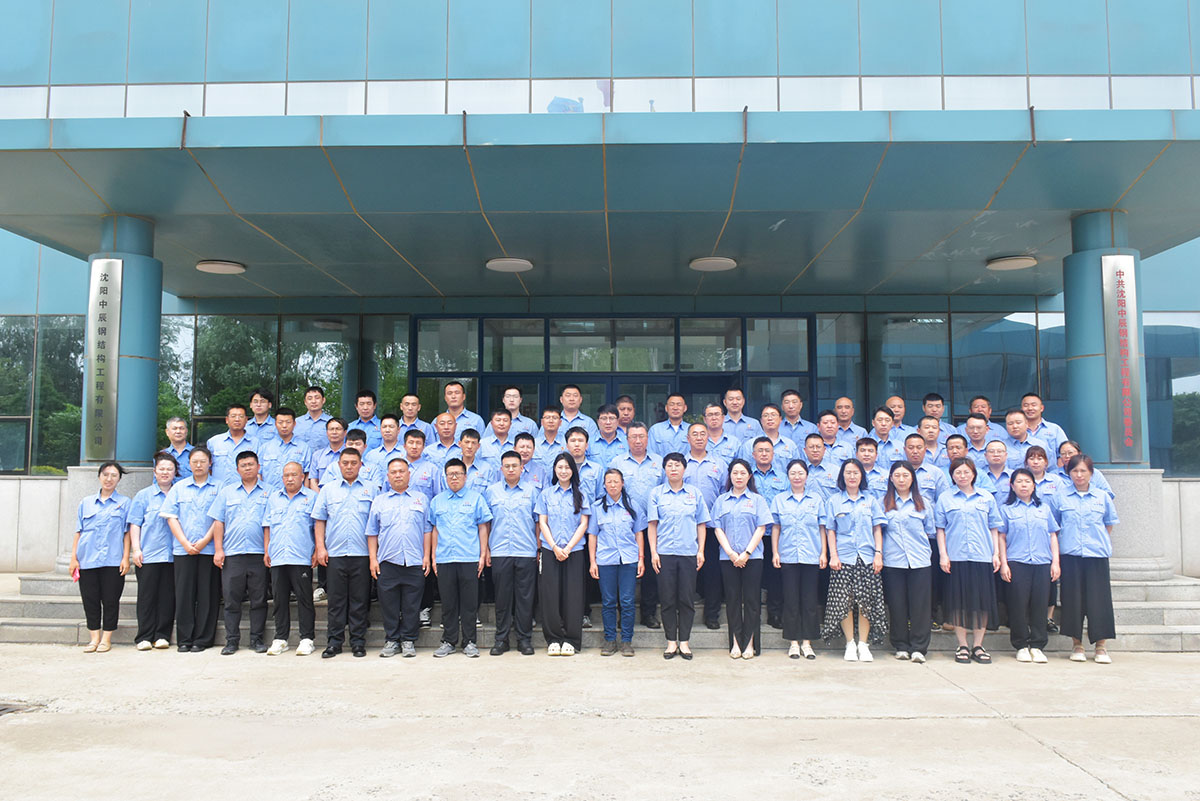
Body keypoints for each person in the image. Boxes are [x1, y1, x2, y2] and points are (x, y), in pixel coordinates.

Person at [1049, 455, 1120, 664]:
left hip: (1096, 555)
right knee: (1072, 601)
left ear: (1091, 473)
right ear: (1068, 473)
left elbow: (1108, 524)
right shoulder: (1060, 497)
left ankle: (1101, 646)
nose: (1079, 475)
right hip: (1070, 555)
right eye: (1075, 471)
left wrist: (1097, 541)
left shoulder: (1102, 496)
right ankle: (1077, 645)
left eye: (1083, 471)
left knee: (1100, 601)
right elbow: (1055, 527)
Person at [935, 457, 1003, 665]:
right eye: (958, 472)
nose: (962, 476)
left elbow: (994, 527)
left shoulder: (986, 497)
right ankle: (963, 645)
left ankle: (978, 645)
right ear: (952, 475)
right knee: (958, 603)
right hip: (956, 556)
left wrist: (996, 554)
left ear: (974, 474)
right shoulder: (945, 498)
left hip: (982, 555)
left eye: (966, 472)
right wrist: (943, 554)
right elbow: (940, 529)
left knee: (981, 602)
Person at [312, 448, 378, 658]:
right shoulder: (328, 490)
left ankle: (358, 642)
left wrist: (374, 555)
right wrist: (320, 548)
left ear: (361, 465)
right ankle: (334, 642)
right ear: (339, 465)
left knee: (360, 600)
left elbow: (377, 523)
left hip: (362, 554)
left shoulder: (371, 489)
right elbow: (320, 520)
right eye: (345, 463)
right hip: (335, 553)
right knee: (336, 601)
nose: (349, 467)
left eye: (353, 463)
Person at [821, 458, 887, 662]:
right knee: (845, 601)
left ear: (862, 476)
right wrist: (833, 555)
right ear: (842, 476)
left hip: (867, 557)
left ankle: (863, 644)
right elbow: (830, 530)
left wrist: (878, 553)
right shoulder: (834, 501)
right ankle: (850, 643)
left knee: (866, 602)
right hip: (843, 557)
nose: (852, 476)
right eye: (848, 472)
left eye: (856, 473)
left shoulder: (871, 500)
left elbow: (877, 529)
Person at [647, 453, 710, 660]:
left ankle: (684, 642)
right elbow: (652, 525)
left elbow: (701, 524)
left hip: (688, 553)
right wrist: (653, 552)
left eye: (677, 465)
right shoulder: (656, 494)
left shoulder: (694, 493)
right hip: (664, 553)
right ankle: (671, 642)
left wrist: (701, 550)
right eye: (669, 465)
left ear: (684, 469)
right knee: (667, 599)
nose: (673, 469)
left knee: (686, 599)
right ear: (664, 469)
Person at [368, 457, 432, 659]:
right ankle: (392, 640)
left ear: (408, 474)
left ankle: (408, 640)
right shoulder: (379, 501)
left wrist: (427, 556)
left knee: (412, 604)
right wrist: (373, 559)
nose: (398, 475)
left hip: (414, 559)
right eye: (394, 472)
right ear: (388, 476)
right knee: (389, 604)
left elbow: (427, 530)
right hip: (388, 561)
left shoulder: (421, 499)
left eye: (401, 471)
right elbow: (372, 532)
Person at [429, 458, 492, 658]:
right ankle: (448, 641)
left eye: (458, 474)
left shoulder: (476, 499)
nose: (454, 477)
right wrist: (433, 557)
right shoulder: (437, 501)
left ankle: (470, 642)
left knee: (469, 604)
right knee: (448, 603)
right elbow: (435, 530)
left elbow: (483, 528)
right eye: (450, 474)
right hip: (445, 558)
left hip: (469, 558)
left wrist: (482, 554)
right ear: (445, 477)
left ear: (465, 476)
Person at [208, 451, 270, 655]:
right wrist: (219, 550)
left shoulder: (270, 492)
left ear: (258, 467)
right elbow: (219, 522)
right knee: (231, 600)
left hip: (259, 554)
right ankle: (232, 641)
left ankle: (256, 639)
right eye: (243, 465)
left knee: (259, 600)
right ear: (237, 469)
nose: (247, 468)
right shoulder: (227, 492)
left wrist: (268, 550)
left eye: (251, 464)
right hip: (233, 554)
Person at [160, 447, 221, 652]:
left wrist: (205, 541)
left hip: (209, 549)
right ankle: (185, 639)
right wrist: (185, 543)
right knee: (184, 595)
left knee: (207, 595)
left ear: (210, 463)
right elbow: (171, 517)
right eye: (194, 461)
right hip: (183, 550)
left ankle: (202, 639)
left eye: (203, 461)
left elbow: (220, 518)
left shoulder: (220, 487)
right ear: (189, 464)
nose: (198, 465)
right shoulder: (179, 488)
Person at [712, 459, 773, 660]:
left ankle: (750, 643)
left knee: (752, 600)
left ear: (749, 476)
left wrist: (746, 553)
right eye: (735, 473)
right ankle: (736, 642)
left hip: (752, 558)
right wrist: (731, 553)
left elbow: (761, 528)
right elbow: (717, 528)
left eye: (742, 473)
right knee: (732, 600)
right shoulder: (721, 501)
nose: (738, 477)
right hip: (727, 558)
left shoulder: (757, 500)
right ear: (730, 476)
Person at [998, 467, 1060, 664]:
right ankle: (1021, 645)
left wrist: (1055, 562)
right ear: (1012, 486)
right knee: (1017, 605)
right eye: (1019, 482)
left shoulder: (1044, 509)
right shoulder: (1006, 509)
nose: (1023, 485)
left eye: (1027, 482)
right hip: (1017, 562)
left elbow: (1052, 535)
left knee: (1040, 605)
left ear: (1034, 486)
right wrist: (1004, 563)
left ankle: (1038, 645)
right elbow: (1001, 537)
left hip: (1042, 562)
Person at [70, 461, 131, 653]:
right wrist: (74, 558)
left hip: (113, 560)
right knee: (90, 599)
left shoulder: (125, 503)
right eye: (105, 474)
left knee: (111, 600)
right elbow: (79, 531)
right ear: (99, 476)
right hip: (87, 559)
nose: (109, 479)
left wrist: (126, 557)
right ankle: (94, 638)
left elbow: (127, 533)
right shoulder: (86, 502)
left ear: (119, 479)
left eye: (114, 475)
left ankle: (106, 638)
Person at [483, 452, 540, 656]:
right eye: (506, 466)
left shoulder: (532, 491)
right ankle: (501, 639)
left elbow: (538, 522)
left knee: (525, 598)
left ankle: (524, 640)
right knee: (502, 598)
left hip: (526, 550)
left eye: (515, 466)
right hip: (499, 551)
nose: (511, 469)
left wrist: (538, 548)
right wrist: (486, 549)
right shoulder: (492, 492)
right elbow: (486, 523)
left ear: (522, 468)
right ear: (501, 469)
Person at [610, 422, 665, 628]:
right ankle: (622, 615)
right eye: (633, 437)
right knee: (622, 571)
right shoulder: (618, 462)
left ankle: (648, 614)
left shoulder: (659, 462)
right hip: (624, 525)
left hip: (652, 525)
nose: (638, 440)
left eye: (641, 436)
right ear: (627, 440)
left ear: (647, 438)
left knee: (651, 570)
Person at [535, 454, 591, 656]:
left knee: (573, 595)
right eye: (560, 467)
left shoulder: (581, 494)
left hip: (574, 551)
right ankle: (553, 639)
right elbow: (542, 522)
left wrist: (567, 548)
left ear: (573, 470)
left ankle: (571, 640)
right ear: (554, 470)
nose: (564, 471)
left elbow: (583, 524)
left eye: (567, 467)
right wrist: (554, 547)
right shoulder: (546, 494)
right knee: (550, 595)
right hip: (550, 550)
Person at [880, 462, 935, 663]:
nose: (901, 480)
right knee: (897, 604)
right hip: (893, 560)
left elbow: (930, 531)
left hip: (919, 560)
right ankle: (901, 645)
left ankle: (919, 647)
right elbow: (879, 531)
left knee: (920, 606)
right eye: (897, 476)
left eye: (905, 475)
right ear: (891, 479)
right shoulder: (883, 503)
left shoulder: (923, 503)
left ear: (912, 478)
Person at [588, 468, 646, 656]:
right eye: (609, 482)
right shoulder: (597, 507)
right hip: (606, 560)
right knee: (609, 601)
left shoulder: (633, 505)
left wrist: (641, 559)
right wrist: (592, 562)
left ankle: (627, 641)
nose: (612, 485)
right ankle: (610, 640)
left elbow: (639, 533)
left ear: (622, 483)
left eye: (616, 481)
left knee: (627, 601)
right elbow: (592, 536)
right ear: (604, 485)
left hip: (628, 559)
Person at [771, 459, 825, 659]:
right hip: (788, 555)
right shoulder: (779, 499)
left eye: (800, 473)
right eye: (793, 473)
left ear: (806, 476)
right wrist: (775, 552)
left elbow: (822, 528)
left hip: (811, 555)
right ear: (788, 476)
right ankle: (793, 642)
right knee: (791, 599)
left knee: (809, 600)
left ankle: (808, 643)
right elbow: (776, 527)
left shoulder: (816, 499)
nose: (797, 477)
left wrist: (823, 553)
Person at [263, 461, 318, 656]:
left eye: (294, 475)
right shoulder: (274, 498)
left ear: (302, 477)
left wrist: (317, 550)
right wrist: (267, 550)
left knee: (305, 599)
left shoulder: (312, 498)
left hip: (301, 556)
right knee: (279, 599)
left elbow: (317, 526)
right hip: (278, 556)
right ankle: (281, 638)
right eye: (286, 475)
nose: (290, 478)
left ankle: (307, 638)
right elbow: (267, 526)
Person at [128, 453, 178, 650]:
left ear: (175, 472)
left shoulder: (179, 493)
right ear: (155, 472)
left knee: (168, 596)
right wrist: (136, 549)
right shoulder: (143, 495)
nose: (165, 472)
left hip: (173, 555)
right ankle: (144, 636)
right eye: (161, 469)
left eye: (169, 469)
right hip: (149, 554)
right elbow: (135, 524)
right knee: (146, 597)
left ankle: (162, 635)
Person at [684, 423, 726, 630]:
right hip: (685, 527)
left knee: (712, 573)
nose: (699, 437)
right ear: (688, 438)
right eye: (695, 434)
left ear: (708, 437)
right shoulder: (680, 463)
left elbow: (725, 493)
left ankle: (712, 615)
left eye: (703, 434)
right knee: (686, 572)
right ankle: (684, 615)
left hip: (711, 527)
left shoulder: (719, 464)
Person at [749, 438, 788, 628]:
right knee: (753, 576)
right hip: (752, 535)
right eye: (760, 450)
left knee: (775, 577)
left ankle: (775, 614)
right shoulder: (747, 476)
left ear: (773, 454)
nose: (764, 454)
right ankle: (753, 615)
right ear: (753, 454)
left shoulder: (783, 477)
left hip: (775, 534)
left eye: (767, 451)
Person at [258, 406, 312, 490]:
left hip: (295, 495)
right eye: (280, 422)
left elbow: (307, 475)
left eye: (288, 422)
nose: (284, 426)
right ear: (275, 424)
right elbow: (258, 473)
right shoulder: (265, 448)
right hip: (269, 494)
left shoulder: (304, 448)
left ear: (294, 424)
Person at [208, 403, 257, 486]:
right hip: (219, 490)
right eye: (233, 416)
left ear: (246, 420)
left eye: (241, 416)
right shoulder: (214, 442)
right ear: (227, 420)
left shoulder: (255, 443)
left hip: (246, 490)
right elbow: (207, 469)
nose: (237, 419)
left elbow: (259, 471)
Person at [739, 404, 799, 468]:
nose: (770, 418)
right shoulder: (749, 445)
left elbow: (797, 469)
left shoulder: (790, 445)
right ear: (761, 420)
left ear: (780, 419)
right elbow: (743, 469)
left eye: (773, 415)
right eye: (766, 415)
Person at [1021, 392, 1068, 459]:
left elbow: (1063, 454)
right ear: (1021, 409)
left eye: (1034, 405)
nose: (1030, 408)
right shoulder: (1016, 431)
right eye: (1026, 405)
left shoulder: (1054, 429)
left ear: (1042, 408)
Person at [309, 417, 346, 492]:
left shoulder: (351, 454)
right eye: (331, 429)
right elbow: (313, 480)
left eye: (338, 429)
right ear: (327, 432)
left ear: (345, 432)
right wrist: (321, 496)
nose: (334, 432)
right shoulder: (317, 455)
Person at [295, 385, 333, 451]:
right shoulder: (296, 422)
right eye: (310, 398)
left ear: (323, 400)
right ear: (305, 402)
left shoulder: (332, 422)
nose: (313, 401)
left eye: (317, 398)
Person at [591, 404, 629, 469]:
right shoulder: (589, 443)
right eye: (604, 418)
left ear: (617, 421)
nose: (608, 422)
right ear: (598, 421)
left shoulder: (627, 442)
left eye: (612, 418)